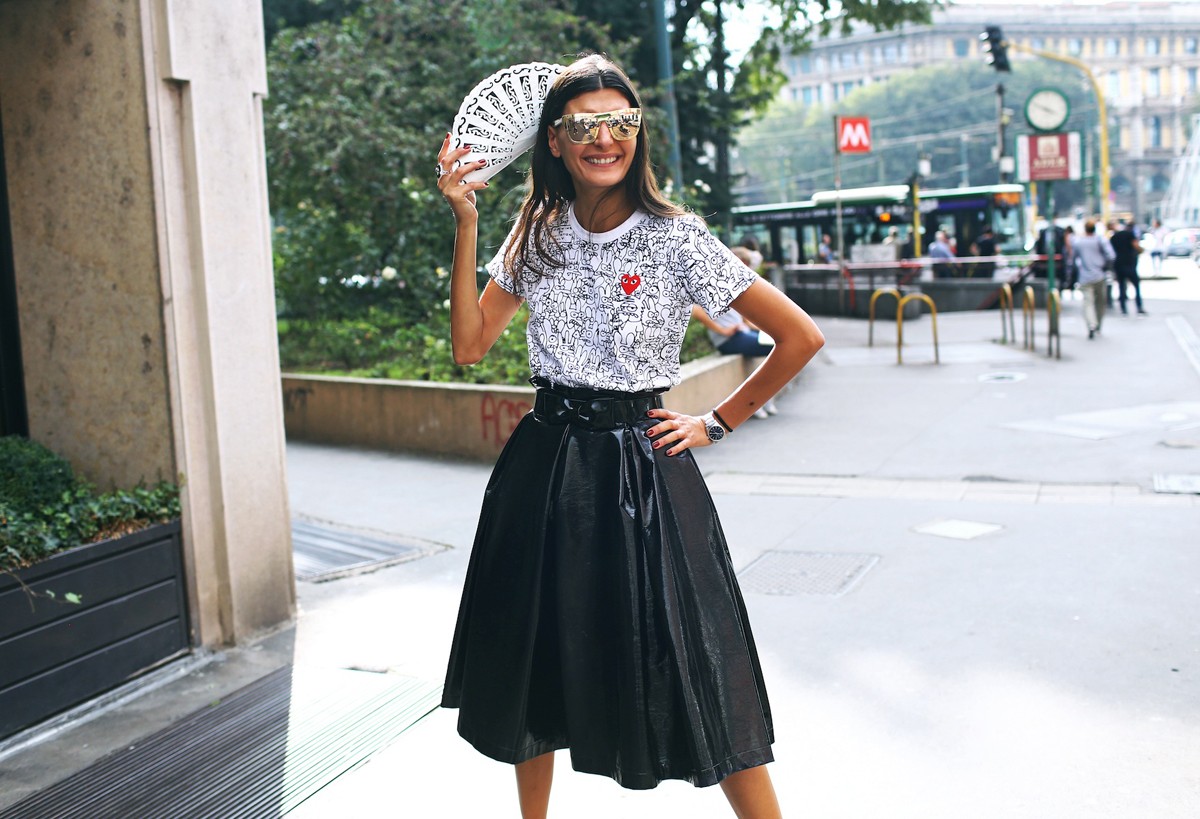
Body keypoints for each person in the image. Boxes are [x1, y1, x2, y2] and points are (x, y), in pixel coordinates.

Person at [436, 54, 824, 819]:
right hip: (543, 465)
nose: (604, 138)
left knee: (698, 657)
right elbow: (470, 345)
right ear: (555, 141)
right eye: (584, 126)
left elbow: (800, 336)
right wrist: (467, 223)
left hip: (641, 468)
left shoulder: (677, 237)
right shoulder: (537, 232)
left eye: (620, 121)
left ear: (637, 133)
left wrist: (716, 421)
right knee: (534, 656)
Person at [691, 246, 779, 419]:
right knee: (773, 347)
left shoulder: (735, 282)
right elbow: (696, 310)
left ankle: (763, 399)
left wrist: (766, 329)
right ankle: (756, 401)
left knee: (775, 342)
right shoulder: (714, 282)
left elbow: (745, 320)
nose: (745, 268)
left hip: (741, 334)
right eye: (743, 264)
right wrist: (723, 330)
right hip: (728, 339)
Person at [1073, 219, 1116, 339]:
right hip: (1099, 275)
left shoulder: (1079, 242)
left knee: (1088, 302)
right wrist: (1104, 264)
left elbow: (1074, 258)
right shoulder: (1100, 240)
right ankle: (1098, 324)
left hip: (1084, 276)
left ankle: (1091, 324)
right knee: (1100, 302)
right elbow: (1111, 255)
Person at [1108, 220, 1146, 316]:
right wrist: (1141, 250)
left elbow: (1110, 252)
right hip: (1129, 263)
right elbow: (1136, 246)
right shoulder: (1129, 234)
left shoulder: (1114, 237)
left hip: (1118, 264)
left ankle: (1123, 308)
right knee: (1136, 286)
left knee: (1121, 286)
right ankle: (1139, 307)